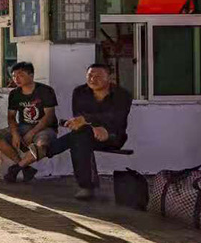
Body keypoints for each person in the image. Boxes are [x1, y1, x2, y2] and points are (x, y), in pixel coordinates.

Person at [16, 63, 132, 200]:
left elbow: (117, 117)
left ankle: (45, 151)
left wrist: (97, 126)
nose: (93, 79)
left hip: (113, 135)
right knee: (80, 137)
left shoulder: (122, 94)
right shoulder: (80, 92)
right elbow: (79, 117)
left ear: (109, 78)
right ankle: (86, 186)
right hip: (85, 133)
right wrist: (91, 126)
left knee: (78, 137)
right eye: (90, 76)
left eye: (98, 76)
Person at [0, 61, 59, 183]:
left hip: (45, 127)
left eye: (21, 75)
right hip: (24, 126)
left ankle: (16, 168)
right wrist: (15, 133)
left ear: (31, 75)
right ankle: (24, 167)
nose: (16, 79)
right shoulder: (14, 93)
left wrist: (32, 133)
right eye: (14, 76)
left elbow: (49, 116)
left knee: (42, 145)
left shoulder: (45, 91)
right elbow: (11, 117)